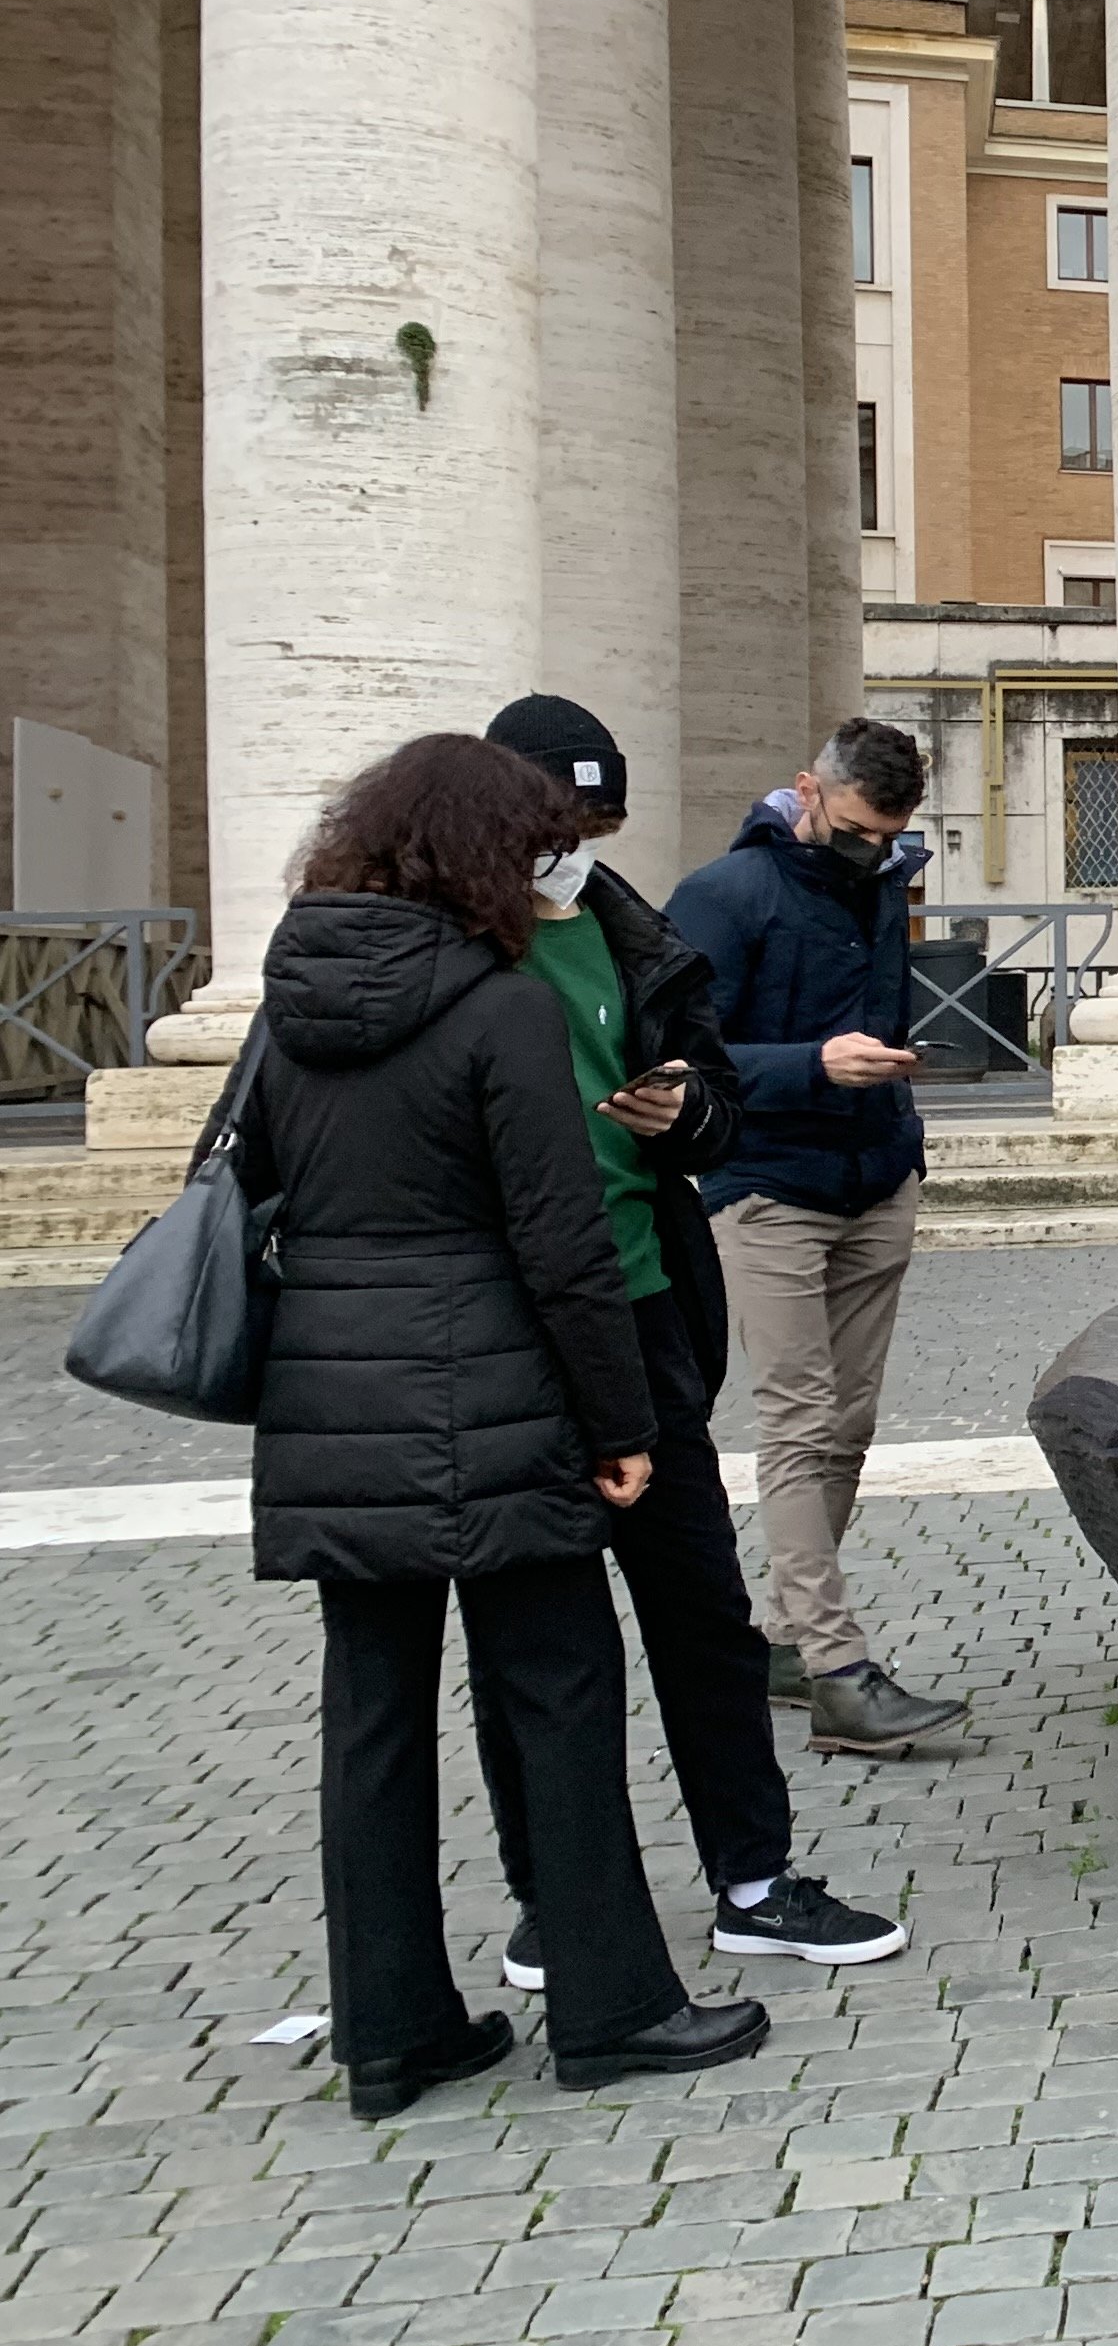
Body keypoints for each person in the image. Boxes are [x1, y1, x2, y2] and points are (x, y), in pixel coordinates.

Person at [236, 734, 768, 2116]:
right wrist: (621, 1420)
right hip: (496, 1392)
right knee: (559, 1687)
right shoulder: (500, 1009)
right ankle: (613, 2008)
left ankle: (390, 2030)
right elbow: (562, 1241)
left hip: (333, 1403)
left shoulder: (291, 999)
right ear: (485, 855)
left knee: (370, 1716)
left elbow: (240, 1184)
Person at [475, 697, 907, 1986]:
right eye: (559, 823)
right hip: (509, 1334)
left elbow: (711, 1096)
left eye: (597, 824)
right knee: (544, 1647)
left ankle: (755, 1880)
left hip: (646, 1308)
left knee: (706, 1615)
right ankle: (556, 1899)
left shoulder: (625, 929)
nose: (578, 848)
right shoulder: (456, 952)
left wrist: (691, 1112)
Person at [666, 717, 967, 1755]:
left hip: (876, 1177)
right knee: (798, 1422)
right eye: (853, 830)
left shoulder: (883, 882)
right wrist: (811, 1066)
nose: (870, 851)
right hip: (767, 1188)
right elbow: (672, 1062)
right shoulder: (724, 894)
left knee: (850, 1425)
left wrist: (893, 1095)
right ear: (806, 791)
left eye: (889, 835)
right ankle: (838, 1671)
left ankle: (790, 1644)